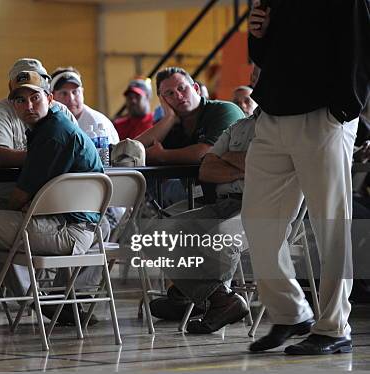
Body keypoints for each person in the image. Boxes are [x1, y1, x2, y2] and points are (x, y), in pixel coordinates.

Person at [0, 69, 103, 348]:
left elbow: (19, 197)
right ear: (12, 105)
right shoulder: (52, 126)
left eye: (34, 98)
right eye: (20, 101)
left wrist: (13, 206)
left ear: (49, 98)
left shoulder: (52, 135)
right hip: (71, 224)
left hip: (70, 232)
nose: (28, 106)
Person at [242, 0, 369, 355]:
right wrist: (257, 35)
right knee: (257, 222)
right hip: (273, 113)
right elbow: (269, 55)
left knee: (331, 228)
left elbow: (360, 45)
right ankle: (290, 312)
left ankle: (333, 328)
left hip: (324, 115)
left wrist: (344, 109)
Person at [146, 108, 258, 333]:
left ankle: (188, 297)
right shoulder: (238, 127)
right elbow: (206, 169)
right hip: (223, 203)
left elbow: (263, 165)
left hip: (261, 207)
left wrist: (228, 160)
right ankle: (221, 300)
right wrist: (245, 167)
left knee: (219, 236)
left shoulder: (282, 129)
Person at [135, 67, 245, 206]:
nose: (178, 96)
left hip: (236, 200)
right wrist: (168, 118)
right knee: (155, 225)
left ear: (196, 88)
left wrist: (162, 155)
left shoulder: (223, 110)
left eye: (182, 88)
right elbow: (132, 151)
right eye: (170, 94)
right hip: (199, 201)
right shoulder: (173, 125)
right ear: (163, 101)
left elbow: (206, 152)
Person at [50, 66, 119, 145]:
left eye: (75, 92)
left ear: (82, 92)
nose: (71, 98)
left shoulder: (97, 124)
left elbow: (105, 156)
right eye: (64, 93)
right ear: (52, 97)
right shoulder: (49, 123)